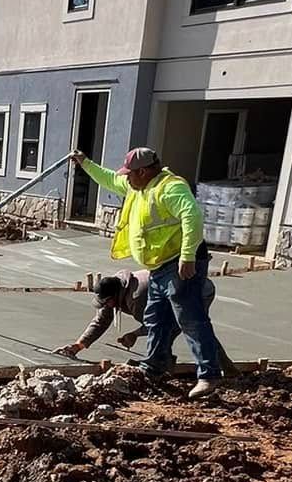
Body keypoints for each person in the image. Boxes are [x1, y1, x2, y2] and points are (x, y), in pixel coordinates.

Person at [70, 144, 225, 399]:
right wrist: (85, 163)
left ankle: (208, 375)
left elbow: (193, 216)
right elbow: (109, 179)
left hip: (180, 265)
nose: (125, 177)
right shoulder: (136, 186)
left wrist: (187, 257)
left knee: (190, 319)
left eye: (129, 173)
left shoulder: (170, 188)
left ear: (143, 171)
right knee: (156, 318)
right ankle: (153, 366)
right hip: (158, 267)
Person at [58, 265, 230, 373]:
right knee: (178, 331)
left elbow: (157, 324)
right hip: (175, 291)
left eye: (108, 302)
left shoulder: (137, 296)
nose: (107, 306)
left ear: (116, 295)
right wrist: (78, 345)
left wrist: (134, 334)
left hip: (197, 290)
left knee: (189, 329)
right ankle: (162, 366)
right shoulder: (115, 289)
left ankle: (161, 369)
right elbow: (101, 320)